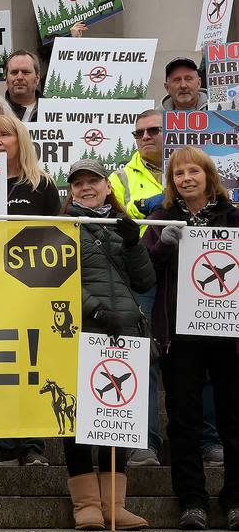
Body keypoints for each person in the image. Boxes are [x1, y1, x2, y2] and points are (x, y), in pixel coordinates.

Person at [144, 147, 239, 531]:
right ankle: (192, 500)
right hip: (179, 336)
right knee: (183, 420)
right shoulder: (161, 217)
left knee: (233, 419)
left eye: (192, 171)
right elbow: (145, 271)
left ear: (208, 175)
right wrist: (163, 244)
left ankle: (235, 498)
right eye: (178, 174)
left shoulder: (234, 218)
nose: (186, 178)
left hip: (228, 334)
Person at [60, 159, 153, 530]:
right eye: (78, 182)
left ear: (106, 186)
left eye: (92, 181)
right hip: (84, 331)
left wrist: (133, 243)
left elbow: (144, 281)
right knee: (80, 419)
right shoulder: (64, 226)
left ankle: (114, 504)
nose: (86, 187)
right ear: (71, 190)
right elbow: (58, 275)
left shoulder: (123, 226)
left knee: (118, 417)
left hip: (125, 334)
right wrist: (95, 312)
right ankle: (86, 505)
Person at [0, 114, 59, 467]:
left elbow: (55, 237)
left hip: (31, 288)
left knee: (31, 365)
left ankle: (32, 444)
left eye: (4, 136)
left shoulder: (41, 185)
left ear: (20, 140)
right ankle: (3, 442)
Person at [109, 109, 171, 468]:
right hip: (144, 274)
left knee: (202, 361)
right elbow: (119, 218)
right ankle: (143, 441)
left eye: (153, 130)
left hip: (188, 272)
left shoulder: (193, 165)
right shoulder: (120, 176)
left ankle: (208, 441)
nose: (145, 137)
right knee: (143, 358)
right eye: (139, 133)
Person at [4, 50, 42, 123]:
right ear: (6, 78)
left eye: (25, 72)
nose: (19, 77)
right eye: (14, 72)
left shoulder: (54, 110)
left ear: (37, 78)